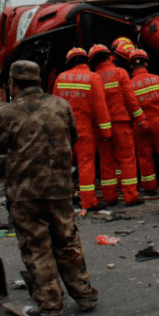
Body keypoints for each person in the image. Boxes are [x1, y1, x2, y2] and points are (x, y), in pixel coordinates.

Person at [0, 61, 99, 316]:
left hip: (25, 193)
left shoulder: (8, 112)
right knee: (67, 240)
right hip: (59, 188)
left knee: (37, 248)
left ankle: (49, 307)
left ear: (14, 83)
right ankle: (85, 294)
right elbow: (73, 136)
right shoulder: (61, 106)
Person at [53, 47, 112, 211]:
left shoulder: (60, 78)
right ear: (86, 60)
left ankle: (62, 201)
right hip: (84, 129)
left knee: (63, 165)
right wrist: (106, 131)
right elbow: (100, 107)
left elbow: (55, 107)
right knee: (86, 164)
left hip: (63, 129)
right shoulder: (93, 78)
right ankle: (88, 201)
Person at [89, 44, 147, 207]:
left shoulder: (93, 77)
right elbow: (131, 100)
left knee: (107, 161)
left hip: (101, 127)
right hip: (121, 123)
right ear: (109, 57)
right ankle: (131, 196)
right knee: (127, 159)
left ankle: (109, 196)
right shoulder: (120, 73)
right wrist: (141, 119)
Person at [129, 49, 159, 194]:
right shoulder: (157, 79)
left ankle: (149, 187)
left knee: (144, 156)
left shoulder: (129, 85)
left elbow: (129, 107)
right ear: (146, 63)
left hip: (139, 124)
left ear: (131, 66)